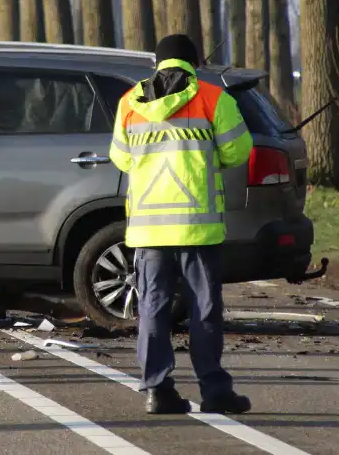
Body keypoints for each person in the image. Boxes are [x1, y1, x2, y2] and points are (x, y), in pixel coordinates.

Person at [108, 34, 254, 415]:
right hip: (196, 226)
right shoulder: (213, 99)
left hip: (149, 229)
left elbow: (121, 159)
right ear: (192, 62)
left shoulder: (129, 103)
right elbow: (238, 150)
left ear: (157, 63)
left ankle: (157, 390)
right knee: (203, 309)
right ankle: (214, 391)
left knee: (152, 308)